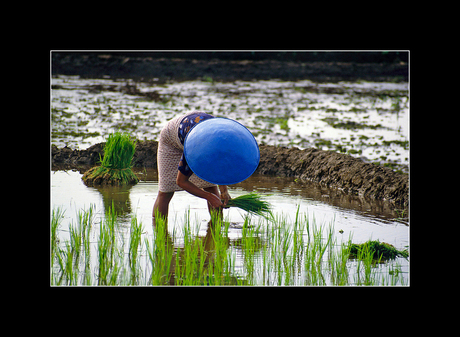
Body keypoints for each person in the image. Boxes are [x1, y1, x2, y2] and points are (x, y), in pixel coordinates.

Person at [153, 111, 259, 224]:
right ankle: (159, 230)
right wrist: (208, 197)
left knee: (210, 186)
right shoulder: (198, 150)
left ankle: (216, 227)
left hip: (198, 130)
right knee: (166, 191)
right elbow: (181, 181)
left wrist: (224, 191)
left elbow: (219, 168)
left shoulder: (225, 142)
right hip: (172, 138)